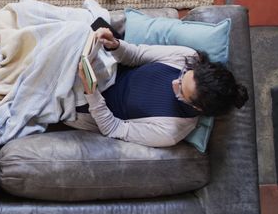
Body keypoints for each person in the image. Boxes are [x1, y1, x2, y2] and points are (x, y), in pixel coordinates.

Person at [65, 27, 249, 147]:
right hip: (105, 68)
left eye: (181, 90)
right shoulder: (188, 58)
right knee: (75, 32)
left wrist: (91, 92)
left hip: (85, 103)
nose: (173, 83)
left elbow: (114, 128)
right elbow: (136, 55)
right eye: (183, 75)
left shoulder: (170, 131)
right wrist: (115, 45)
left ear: (197, 107)